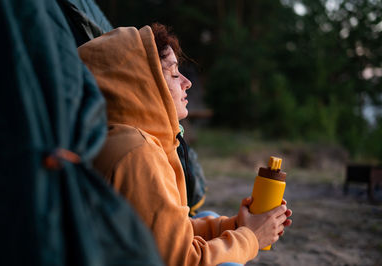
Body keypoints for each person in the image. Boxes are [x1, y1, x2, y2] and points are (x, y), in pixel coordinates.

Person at [78, 23, 292, 265]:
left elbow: (166, 232)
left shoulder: (119, 137)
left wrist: (234, 225)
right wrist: (251, 236)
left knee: (212, 218)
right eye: (172, 73)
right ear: (143, 84)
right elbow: (183, 260)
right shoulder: (137, 153)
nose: (186, 82)